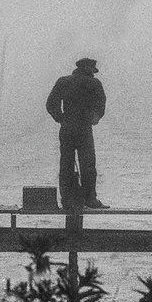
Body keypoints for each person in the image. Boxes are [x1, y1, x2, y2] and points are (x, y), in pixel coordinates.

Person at [46, 58, 108, 210]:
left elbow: (51, 104)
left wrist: (60, 118)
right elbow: (101, 106)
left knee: (65, 165)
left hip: (67, 128)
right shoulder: (94, 84)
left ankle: (66, 200)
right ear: (90, 69)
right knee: (88, 165)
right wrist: (94, 118)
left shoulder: (63, 81)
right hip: (84, 128)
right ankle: (90, 199)